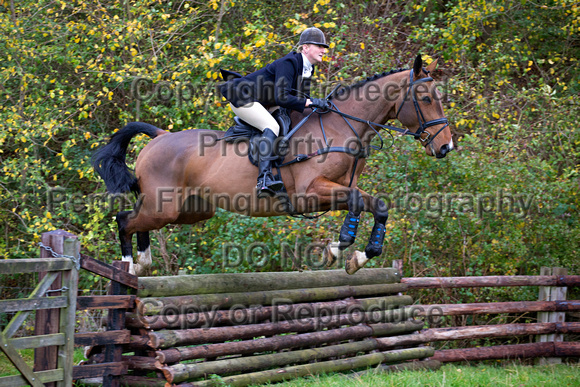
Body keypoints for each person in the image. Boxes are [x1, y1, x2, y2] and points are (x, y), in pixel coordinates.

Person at [220, 27, 330, 198]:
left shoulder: (308, 68)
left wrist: (318, 104)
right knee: (271, 125)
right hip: (243, 97)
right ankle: (264, 179)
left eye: (324, 47)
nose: (324, 50)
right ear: (306, 47)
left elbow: (300, 97)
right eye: (319, 46)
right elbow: (283, 97)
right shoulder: (290, 63)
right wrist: (311, 102)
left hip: (264, 101)